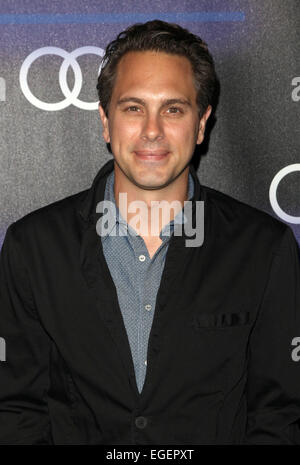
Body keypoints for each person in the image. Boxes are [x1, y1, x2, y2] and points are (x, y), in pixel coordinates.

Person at [0, 20, 300, 445]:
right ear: (106, 121)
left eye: (173, 109)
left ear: (201, 123)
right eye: (133, 108)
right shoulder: (33, 248)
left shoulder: (264, 248)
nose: (152, 130)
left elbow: (279, 411)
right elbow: (15, 408)